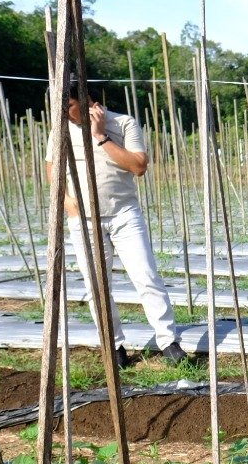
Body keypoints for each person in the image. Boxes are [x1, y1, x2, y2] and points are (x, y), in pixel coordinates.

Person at [45, 93, 186, 367]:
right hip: (84, 221)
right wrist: (65, 202)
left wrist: (101, 137)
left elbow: (139, 166)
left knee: (146, 277)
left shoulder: (123, 124)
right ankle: (114, 346)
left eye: (68, 106)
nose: (63, 113)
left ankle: (168, 341)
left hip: (124, 215)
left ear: (86, 98)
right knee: (97, 286)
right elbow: (52, 169)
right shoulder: (59, 131)